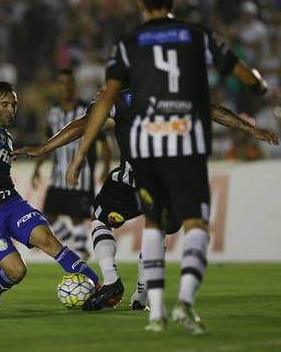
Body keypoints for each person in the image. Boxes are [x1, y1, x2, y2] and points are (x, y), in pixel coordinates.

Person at [66, 0, 269, 333]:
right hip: (185, 148)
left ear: (141, 4)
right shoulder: (196, 36)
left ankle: (154, 308)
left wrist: (80, 155)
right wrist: (256, 90)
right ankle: (183, 303)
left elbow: (104, 101)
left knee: (153, 225)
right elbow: (237, 79)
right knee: (194, 227)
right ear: (173, 1)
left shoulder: (129, 46)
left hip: (146, 155)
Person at [16, 91, 278, 311]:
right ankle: (141, 296)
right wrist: (251, 129)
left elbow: (84, 124)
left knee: (100, 222)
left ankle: (111, 281)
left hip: (130, 182)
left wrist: (44, 148)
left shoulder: (118, 97)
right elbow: (213, 110)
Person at [0, 81, 100, 306]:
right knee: (17, 271)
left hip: (12, 204)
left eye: (14, 105)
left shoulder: (7, 138)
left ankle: (97, 286)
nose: (11, 109)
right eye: (4, 104)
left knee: (47, 239)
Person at [30, 68, 110, 258]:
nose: (64, 87)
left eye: (68, 82)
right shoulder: (53, 111)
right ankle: (79, 248)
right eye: (60, 83)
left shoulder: (86, 110)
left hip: (82, 174)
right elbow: (48, 141)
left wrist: (106, 166)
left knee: (76, 216)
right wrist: (37, 168)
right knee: (49, 216)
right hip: (58, 175)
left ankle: (80, 252)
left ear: (74, 85)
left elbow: (104, 140)